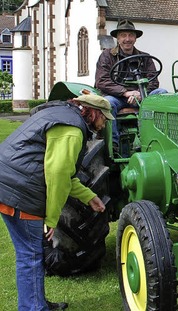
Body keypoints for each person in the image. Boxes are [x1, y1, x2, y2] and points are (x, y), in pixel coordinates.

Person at [0, 94, 110, 310]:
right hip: (20, 189)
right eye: (104, 118)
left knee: (30, 252)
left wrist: (90, 197)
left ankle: (37, 304)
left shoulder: (61, 114)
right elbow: (58, 175)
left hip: (8, 182)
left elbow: (65, 175)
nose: (105, 123)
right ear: (94, 112)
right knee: (30, 255)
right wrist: (51, 220)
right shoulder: (72, 129)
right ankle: (33, 308)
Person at [95, 19, 167, 147]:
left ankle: (160, 140)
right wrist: (126, 92)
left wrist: (139, 93)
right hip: (118, 97)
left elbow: (153, 81)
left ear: (135, 38)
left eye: (130, 35)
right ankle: (114, 145)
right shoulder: (107, 56)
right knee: (108, 103)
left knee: (162, 94)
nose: (127, 39)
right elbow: (102, 81)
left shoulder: (145, 57)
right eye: (123, 35)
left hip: (142, 96)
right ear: (117, 38)